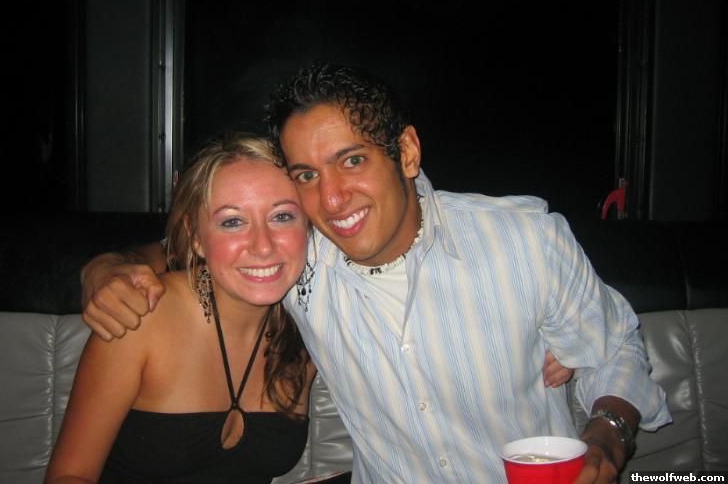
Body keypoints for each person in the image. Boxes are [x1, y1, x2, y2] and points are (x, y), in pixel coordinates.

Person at [80, 63, 669, 483]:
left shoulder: (523, 240)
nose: (333, 199)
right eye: (306, 175)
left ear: (406, 152)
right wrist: (108, 268)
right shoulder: (296, 258)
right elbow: (202, 244)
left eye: (353, 160)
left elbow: (615, 343)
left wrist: (606, 432)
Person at [47, 134, 317, 483]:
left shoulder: (309, 331)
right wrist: (103, 265)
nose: (263, 246)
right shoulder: (145, 315)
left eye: (282, 216)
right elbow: (70, 475)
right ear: (196, 237)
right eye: (232, 222)